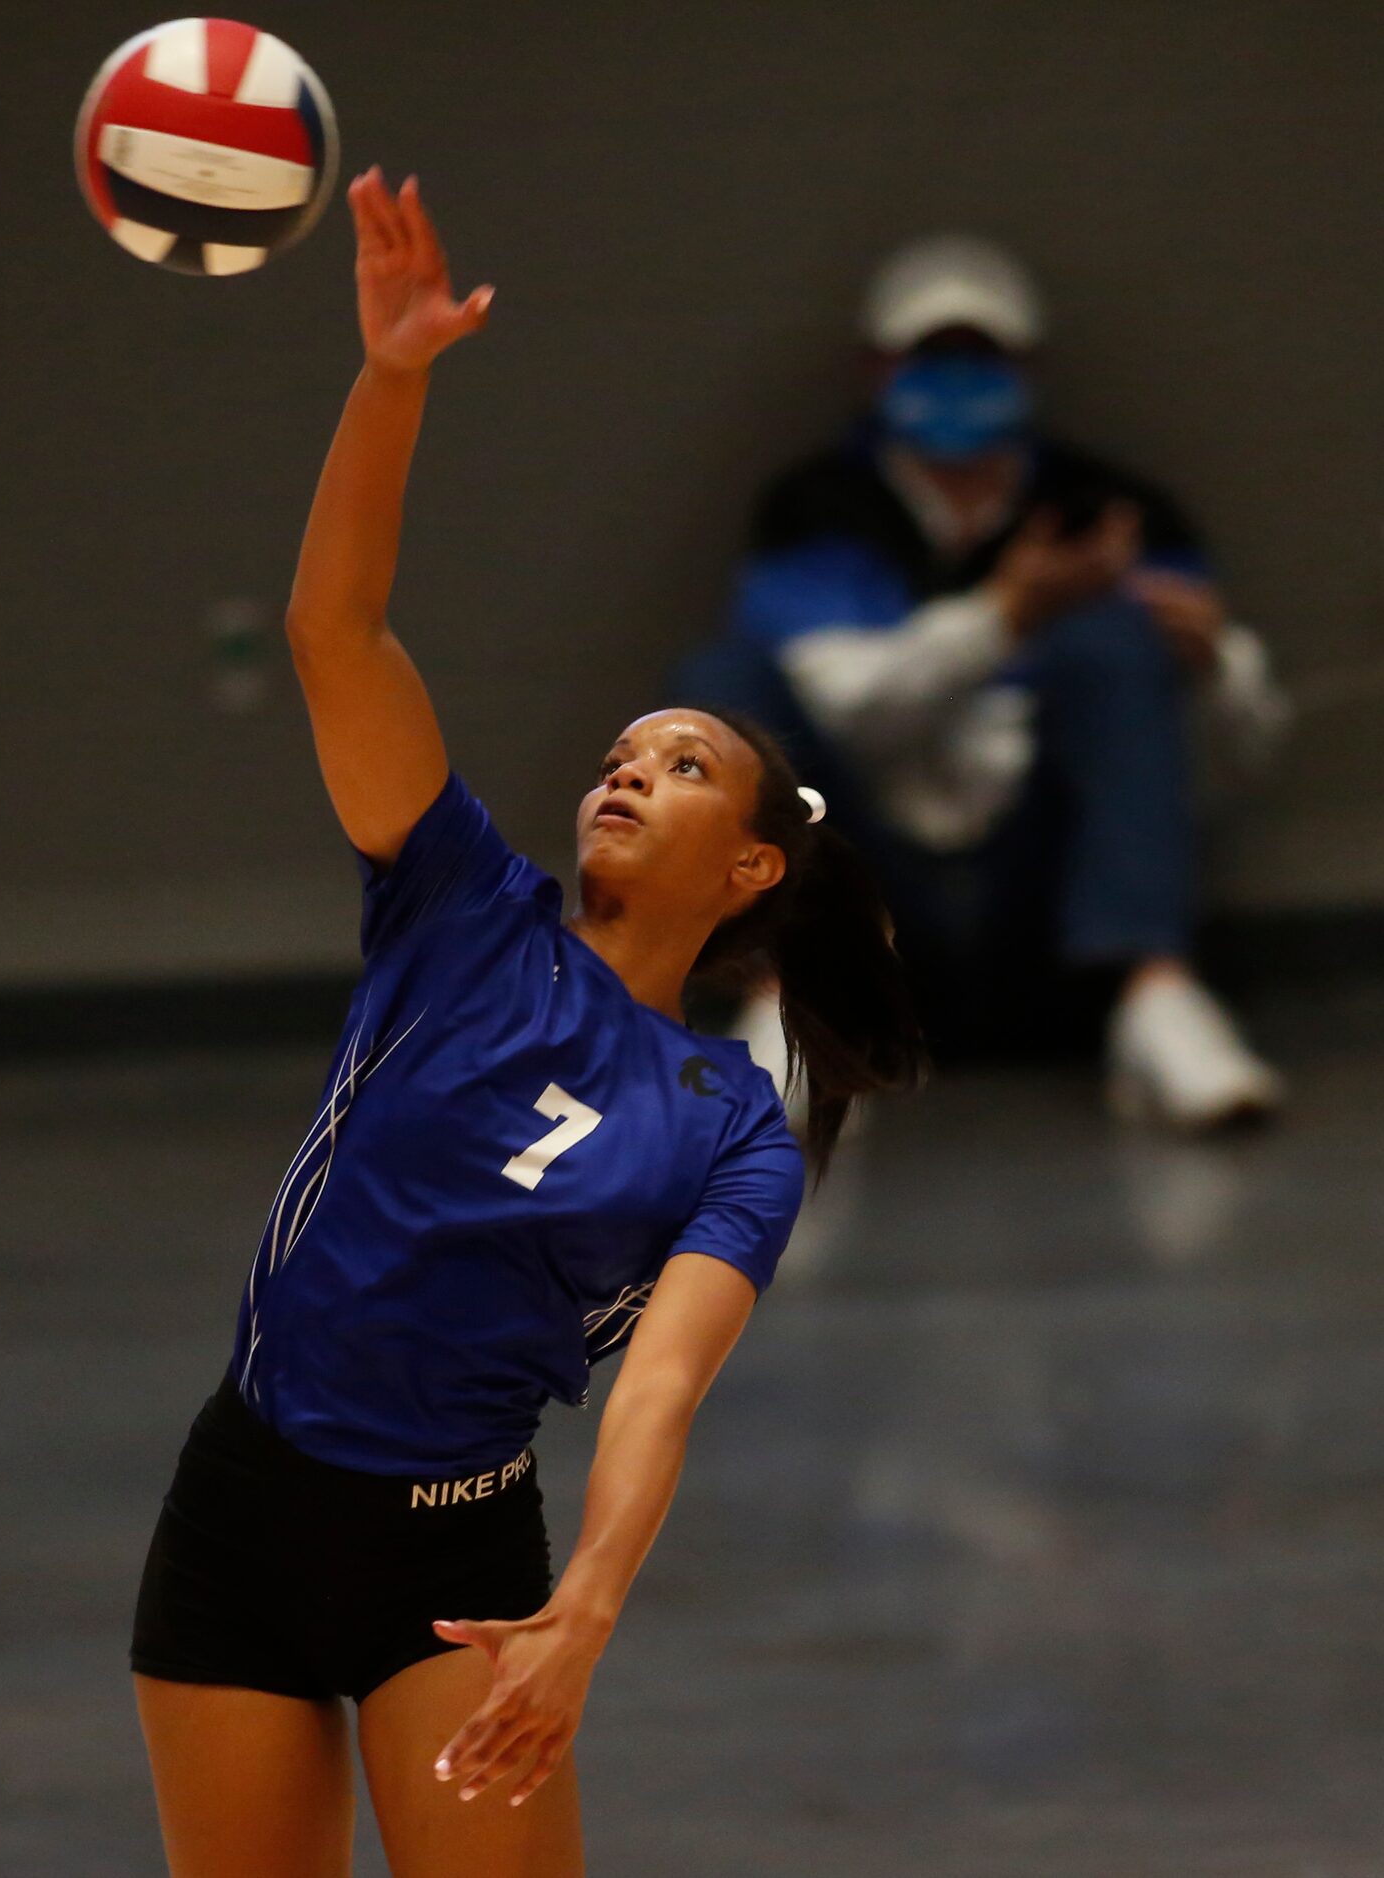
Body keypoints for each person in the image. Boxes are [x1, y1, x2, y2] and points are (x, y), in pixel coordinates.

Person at [128, 167, 923, 1878]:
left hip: (453, 1560)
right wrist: (392, 370)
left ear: (752, 864)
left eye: (684, 757)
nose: (631, 763)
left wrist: (583, 1608)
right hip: (240, 1501)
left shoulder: (725, 1125)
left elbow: (656, 1393)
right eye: (622, 748)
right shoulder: (455, 904)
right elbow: (331, 630)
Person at [677, 234, 1291, 1131]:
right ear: (875, 368)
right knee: (720, 686)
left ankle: (1156, 1000)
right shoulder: (813, 513)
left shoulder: (1113, 512)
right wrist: (1008, 616)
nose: (956, 381)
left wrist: (1213, 664)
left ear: (1027, 369)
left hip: (1045, 901)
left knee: (1114, 641)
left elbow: (1239, 759)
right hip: (871, 901)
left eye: (982, 359)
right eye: (929, 358)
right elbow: (846, 715)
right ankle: (785, 1005)